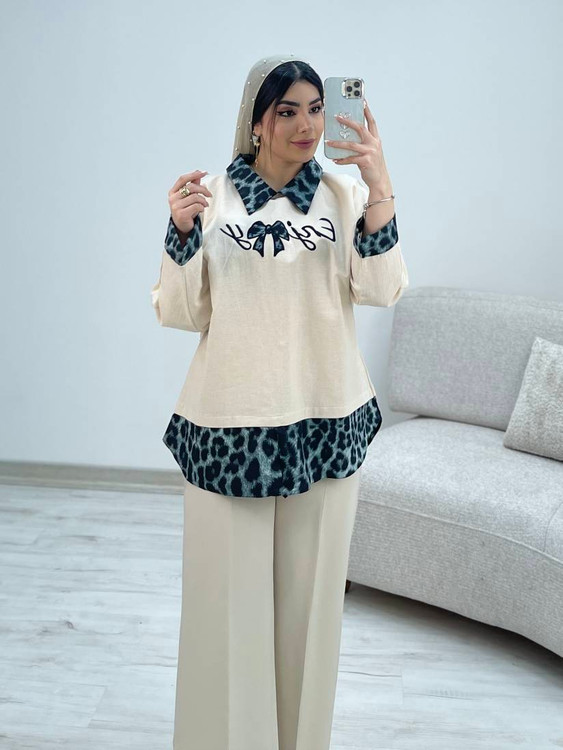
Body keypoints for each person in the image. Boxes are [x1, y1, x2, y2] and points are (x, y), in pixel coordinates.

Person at [151, 53, 409, 750]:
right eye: (287, 110)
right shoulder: (210, 197)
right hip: (228, 428)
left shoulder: (343, 195)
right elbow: (180, 312)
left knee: (310, 615)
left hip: (325, 423)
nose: (306, 125)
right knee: (226, 616)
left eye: (315, 109)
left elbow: (381, 290)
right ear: (256, 121)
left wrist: (379, 184)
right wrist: (179, 234)